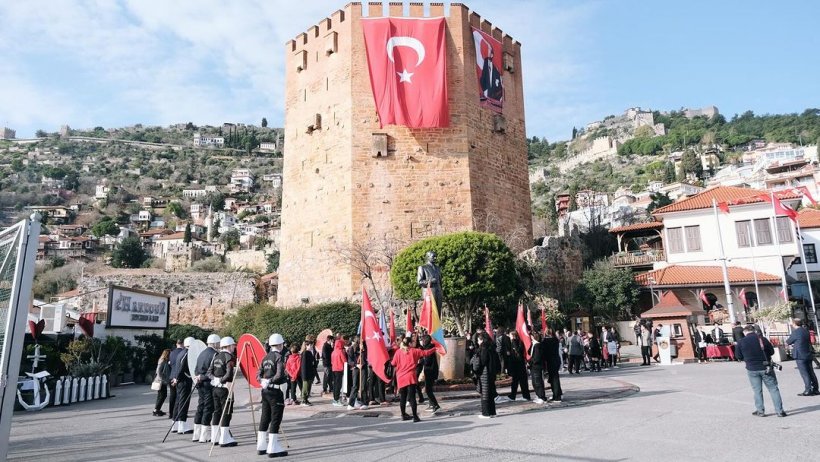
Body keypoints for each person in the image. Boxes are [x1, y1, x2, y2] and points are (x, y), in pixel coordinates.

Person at [735, 325, 786, 417]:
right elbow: (771, 352)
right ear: (754, 331)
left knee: (757, 390)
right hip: (765, 367)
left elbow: (738, 356)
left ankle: (760, 410)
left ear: (745, 332)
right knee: (773, 389)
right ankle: (780, 411)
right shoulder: (762, 339)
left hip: (752, 368)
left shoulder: (741, 341)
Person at [256, 333, 288, 457]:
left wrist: (262, 380)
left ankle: (261, 445)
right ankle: (273, 447)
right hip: (276, 391)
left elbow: (258, 374)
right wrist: (270, 380)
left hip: (265, 391)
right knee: (275, 418)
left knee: (265, 417)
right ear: (280, 344)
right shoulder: (279, 357)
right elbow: (279, 374)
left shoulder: (265, 357)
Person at [391, 336, 436, 422]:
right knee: (412, 397)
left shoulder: (398, 352)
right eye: (412, 342)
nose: (414, 343)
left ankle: (403, 415)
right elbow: (426, 353)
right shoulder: (414, 351)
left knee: (403, 397)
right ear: (410, 343)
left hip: (400, 377)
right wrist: (435, 348)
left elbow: (393, 363)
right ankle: (415, 416)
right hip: (410, 377)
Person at [208, 336, 237, 448]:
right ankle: (224, 439)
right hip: (225, 388)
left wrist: (215, 380)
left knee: (217, 411)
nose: (234, 347)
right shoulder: (229, 357)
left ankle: (215, 436)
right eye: (233, 345)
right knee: (227, 412)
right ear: (229, 346)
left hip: (215, 388)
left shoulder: (216, 356)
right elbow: (229, 373)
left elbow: (209, 371)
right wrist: (221, 380)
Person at [192, 334, 220, 443]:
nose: (219, 345)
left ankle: (196, 434)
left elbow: (195, 369)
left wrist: (198, 377)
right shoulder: (215, 354)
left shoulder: (201, 353)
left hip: (199, 383)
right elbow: (212, 372)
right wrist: (202, 377)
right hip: (208, 383)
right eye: (218, 343)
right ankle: (204, 436)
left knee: (200, 407)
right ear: (214, 343)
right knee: (208, 408)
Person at [786, 318, 819, 396]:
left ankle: (808, 390)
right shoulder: (805, 330)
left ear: (794, 324)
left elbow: (788, 341)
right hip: (808, 353)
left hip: (800, 355)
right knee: (811, 372)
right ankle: (815, 389)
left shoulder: (796, 332)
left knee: (804, 373)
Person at [170, 337, 195, 434]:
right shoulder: (187, 353)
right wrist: (177, 378)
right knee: (184, 402)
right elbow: (181, 368)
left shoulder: (181, 352)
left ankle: (175, 424)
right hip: (184, 381)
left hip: (180, 380)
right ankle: (182, 425)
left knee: (178, 402)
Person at [471, 332, 499, 418]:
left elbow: (482, 361)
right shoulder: (492, 347)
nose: (478, 342)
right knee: (490, 392)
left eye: (479, 340)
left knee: (485, 393)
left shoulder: (483, 348)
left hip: (484, 373)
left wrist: (475, 369)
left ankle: (486, 413)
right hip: (492, 372)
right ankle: (492, 412)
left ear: (482, 340)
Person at [419, 334, 441, 413]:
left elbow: (427, 361)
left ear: (425, 341)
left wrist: (421, 361)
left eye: (422, 340)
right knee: (429, 389)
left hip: (430, 371)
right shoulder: (429, 347)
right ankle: (431, 405)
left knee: (428, 390)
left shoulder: (429, 349)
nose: (421, 342)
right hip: (430, 371)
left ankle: (435, 405)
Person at [507, 331, 531, 401]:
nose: (509, 336)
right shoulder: (514, 342)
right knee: (515, 382)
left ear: (514, 336)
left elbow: (518, 351)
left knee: (522, 381)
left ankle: (526, 396)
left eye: (510, 335)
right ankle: (512, 395)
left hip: (519, 364)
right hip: (516, 364)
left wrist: (514, 342)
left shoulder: (517, 342)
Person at [543, 329, 562, 402]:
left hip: (550, 361)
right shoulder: (555, 340)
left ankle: (557, 395)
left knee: (554, 378)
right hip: (556, 360)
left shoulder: (546, 341)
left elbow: (545, 351)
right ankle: (557, 394)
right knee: (555, 377)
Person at [167, 340, 184, 423]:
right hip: (179, 377)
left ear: (176, 344)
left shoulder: (172, 353)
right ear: (183, 344)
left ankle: (171, 413)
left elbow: (170, 364)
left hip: (171, 376)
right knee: (180, 396)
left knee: (172, 395)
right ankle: (178, 413)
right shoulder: (183, 352)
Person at [528, 332, 546, 404]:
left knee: (538, 382)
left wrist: (530, 362)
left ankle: (542, 397)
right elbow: (529, 352)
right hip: (533, 366)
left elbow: (537, 358)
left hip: (537, 366)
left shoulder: (538, 345)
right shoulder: (534, 344)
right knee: (534, 382)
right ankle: (538, 395)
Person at [153, 349, 171, 417]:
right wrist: (162, 379)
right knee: (162, 395)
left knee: (161, 395)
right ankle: (156, 410)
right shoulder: (162, 361)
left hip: (162, 381)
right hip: (161, 381)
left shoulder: (163, 360)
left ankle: (157, 409)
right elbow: (158, 371)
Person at [330, 338, 347, 406]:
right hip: (339, 370)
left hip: (334, 369)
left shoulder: (333, 352)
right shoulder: (340, 352)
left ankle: (335, 399)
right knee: (338, 385)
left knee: (335, 385)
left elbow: (331, 361)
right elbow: (344, 360)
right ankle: (336, 400)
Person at [301, 340, 317, 406]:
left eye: (311, 345)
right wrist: (304, 376)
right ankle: (304, 400)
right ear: (306, 346)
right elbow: (303, 365)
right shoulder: (305, 353)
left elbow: (313, 363)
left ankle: (306, 399)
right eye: (309, 345)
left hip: (310, 373)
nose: (311, 346)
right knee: (305, 388)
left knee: (308, 387)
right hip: (306, 374)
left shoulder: (310, 353)